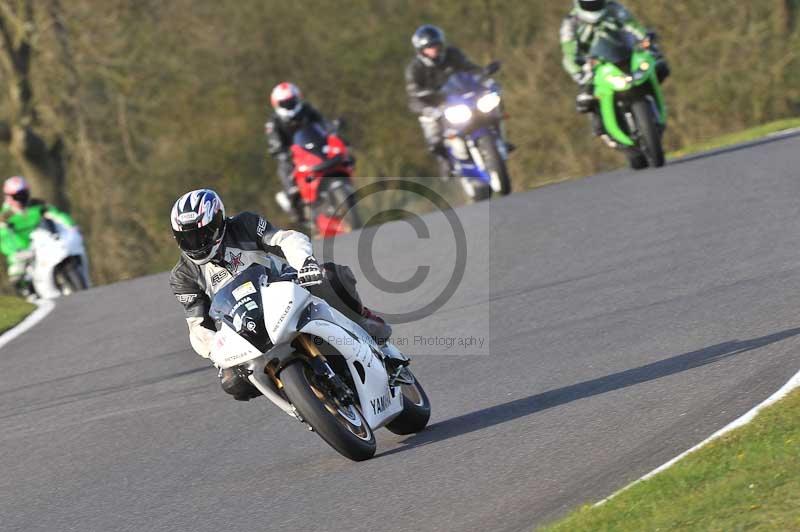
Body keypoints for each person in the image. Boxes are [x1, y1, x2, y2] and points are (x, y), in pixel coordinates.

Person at [169, 188, 396, 401]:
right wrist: (214, 354)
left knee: (331, 277)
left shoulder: (245, 225)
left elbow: (286, 239)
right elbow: (198, 325)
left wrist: (304, 263)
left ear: (217, 223)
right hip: (245, 326)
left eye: (201, 235)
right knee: (232, 381)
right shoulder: (183, 276)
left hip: (285, 288)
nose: (195, 243)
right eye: (187, 238)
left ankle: (364, 321)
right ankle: (302, 403)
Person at [560, 0, 670, 136]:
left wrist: (645, 40)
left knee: (659, 66)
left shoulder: (613, 8)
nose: (594, 5)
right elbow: (569, 51)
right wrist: (579, 68)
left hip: (625, 55)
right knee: (587, 98)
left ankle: (656, 108)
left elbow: (632, 25)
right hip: (596, 66)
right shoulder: (570, 22)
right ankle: (598, 123)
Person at [405, 24, 483, 177]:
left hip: (459, 98)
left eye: (435, 45)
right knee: (434, 137)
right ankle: (445, 160)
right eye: (428, 47)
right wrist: (429, 107)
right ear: (421, 50)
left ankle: (498, 140)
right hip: (433, 105)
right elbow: (413, 95)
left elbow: (470, 68)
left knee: (489, 104)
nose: (433, 49)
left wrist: (482, 76)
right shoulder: (414, 68)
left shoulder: (453, 54)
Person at [0, 176, 75, 298]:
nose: (21, 199)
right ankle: (30, 295)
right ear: (8, 197)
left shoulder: (38, 205)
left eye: (23, 194)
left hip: (43, 244)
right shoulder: (5, 216)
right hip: (22, 251)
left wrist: (71, 226)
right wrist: (14, 251)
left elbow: (56, 214)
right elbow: (3, 238)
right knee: (16, 274)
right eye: (17, 196)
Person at [265, 82, 328, 226]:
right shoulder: (274, 122)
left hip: (314, 149)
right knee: (284, 168)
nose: (290, 106)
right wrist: (280, 151)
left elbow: (324, 124)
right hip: (293, 156)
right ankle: (294, 203)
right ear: (277, 104)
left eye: (291, 101)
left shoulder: (307, 110)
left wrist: (331, 131)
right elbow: (274, 142)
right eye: (285, 103)